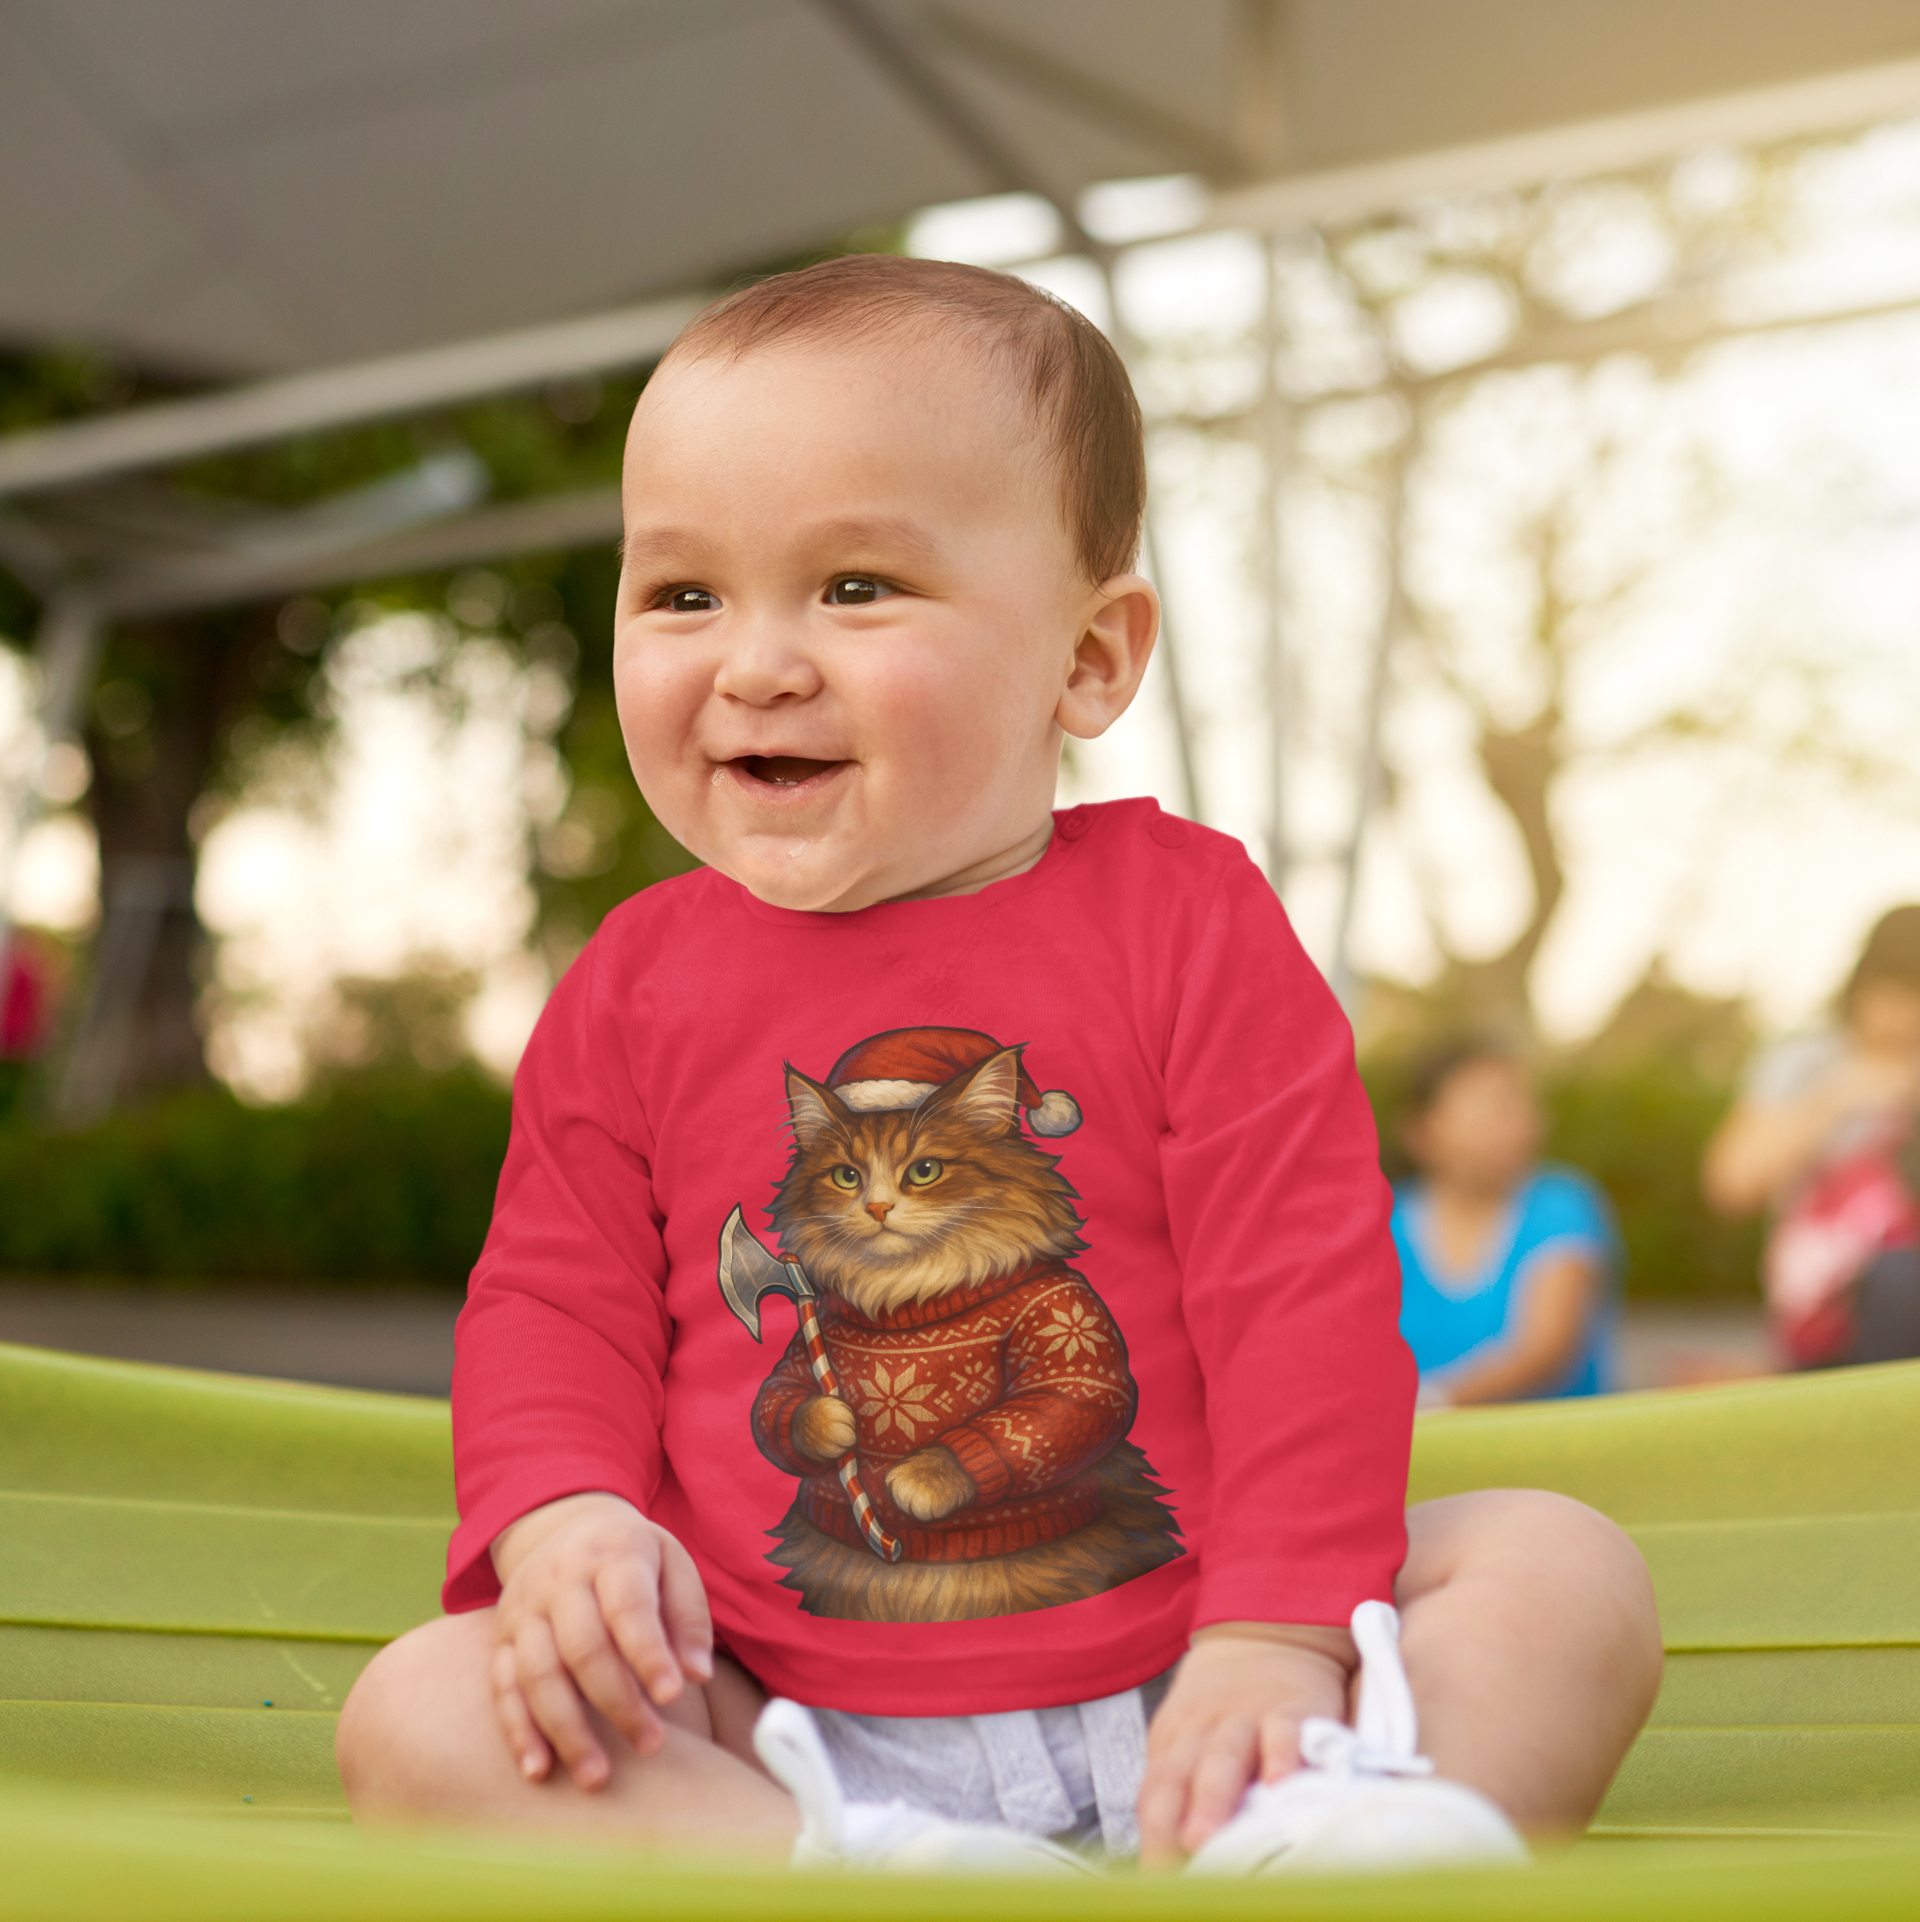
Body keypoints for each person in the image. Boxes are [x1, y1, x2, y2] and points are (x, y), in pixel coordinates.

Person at [335, 256, 1660, 1875]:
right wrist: (562, 1517)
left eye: (856, 587)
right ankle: (860, 1879)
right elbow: (554, 1301)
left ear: (1089, 661)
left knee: (1561, 1571)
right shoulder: (634, 988)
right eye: (684, 595)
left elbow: (1300, 1289)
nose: (756, 661)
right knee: (421, 1710)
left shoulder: (1188, 920)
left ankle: (1341, 1836)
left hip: (1213, 1679)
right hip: (788, 1725)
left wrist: (1279, 1629)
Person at [1703, 906, 1920, 1368]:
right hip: (1829, 1320)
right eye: (1899, 993)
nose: (1907, 1016)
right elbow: (1731, 1184)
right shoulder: (1807, 1061)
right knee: (1902, 1279)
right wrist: (1839, 1097)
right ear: (1863, 985)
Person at [1389, 1042, 1618, 1407]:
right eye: (1493, 1109)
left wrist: (1426, 1402)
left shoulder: (1563, 1205)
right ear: (1420, 1131)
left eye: (1522, 1107)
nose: (1521, 1125)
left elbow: (1544, 1352)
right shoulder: (1380, 1224)